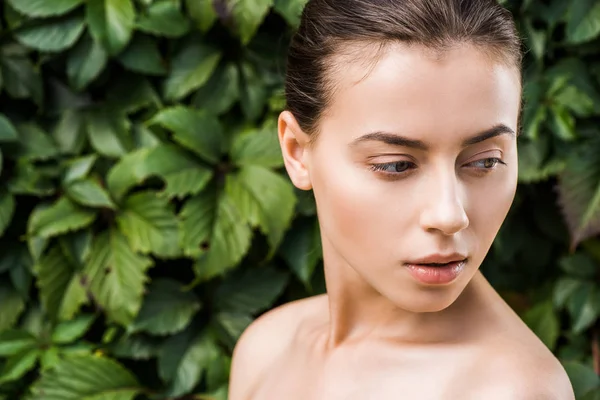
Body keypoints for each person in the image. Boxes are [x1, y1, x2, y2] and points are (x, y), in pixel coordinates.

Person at [229, 0, 575, 398]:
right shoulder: (266, 347)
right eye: (395, 165)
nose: (449, 214)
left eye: (484, 162)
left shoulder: (511, 391)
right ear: (297, 151)